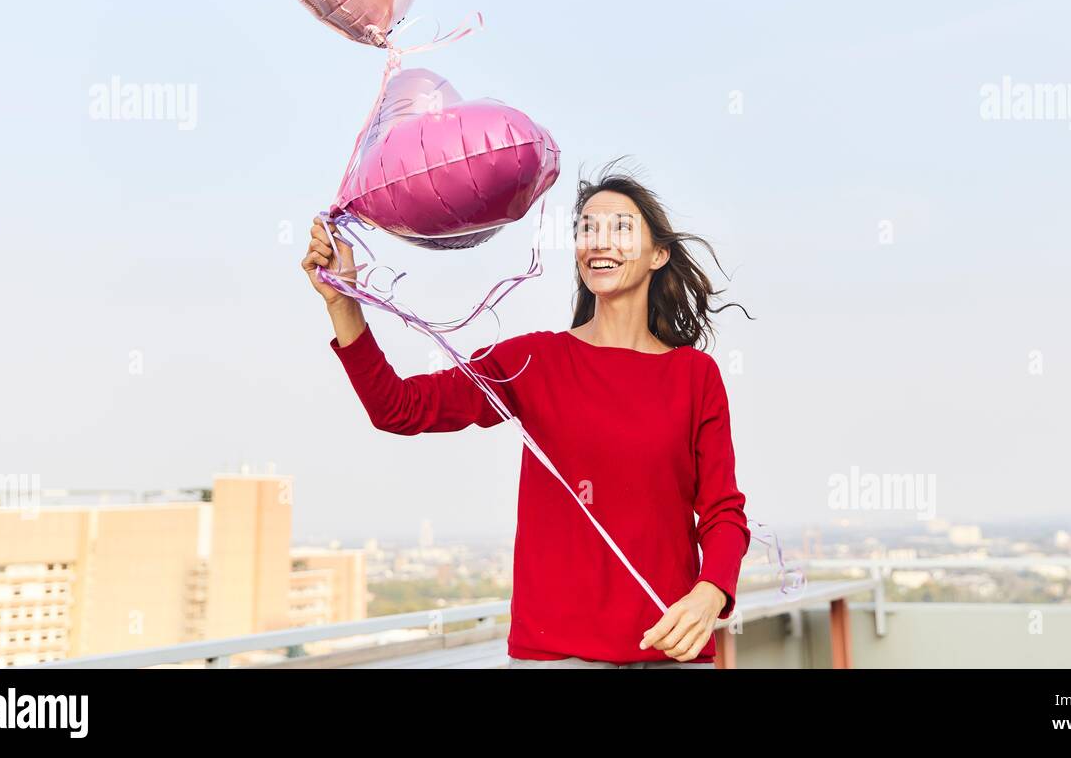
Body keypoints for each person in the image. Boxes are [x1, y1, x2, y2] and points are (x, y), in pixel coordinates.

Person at [302, 158, 754, 668]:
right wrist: (343, 303)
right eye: (588, 229)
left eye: (621, 228)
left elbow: (722, 513)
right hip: (556, 655)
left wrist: (710, 593)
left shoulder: (695, 376)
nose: (599, 240)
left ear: (658, 255)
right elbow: (399, 408)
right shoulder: (533, 362)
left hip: (674, 653)